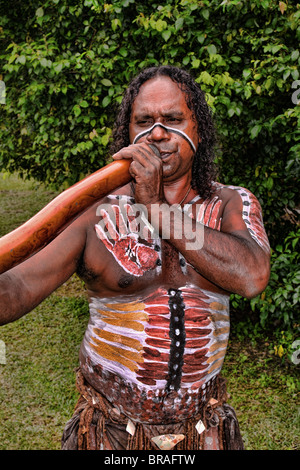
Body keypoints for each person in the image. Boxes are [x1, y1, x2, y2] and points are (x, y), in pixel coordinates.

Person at [0, 65, 270, 451]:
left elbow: (252, 276)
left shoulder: (230, 203)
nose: (157, 133)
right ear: (128, 132)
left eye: (173, 119)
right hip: (109, 434)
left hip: (204, 433)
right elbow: (17, 288)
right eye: (144, 120)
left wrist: (158, 209)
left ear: (199, 129)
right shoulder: (94, 212)